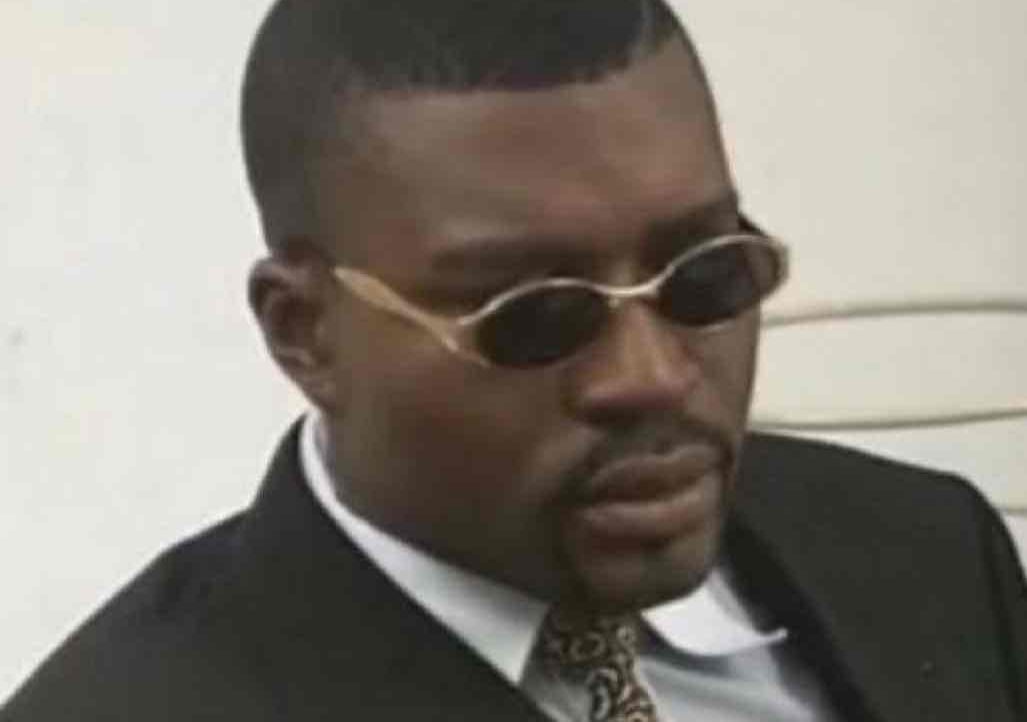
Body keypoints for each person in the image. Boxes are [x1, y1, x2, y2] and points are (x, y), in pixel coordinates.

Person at [3, 1, 1024, 720]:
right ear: (304, 332)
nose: (651, 374)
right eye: (534, 317)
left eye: (706, 277)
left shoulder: (931, 551)